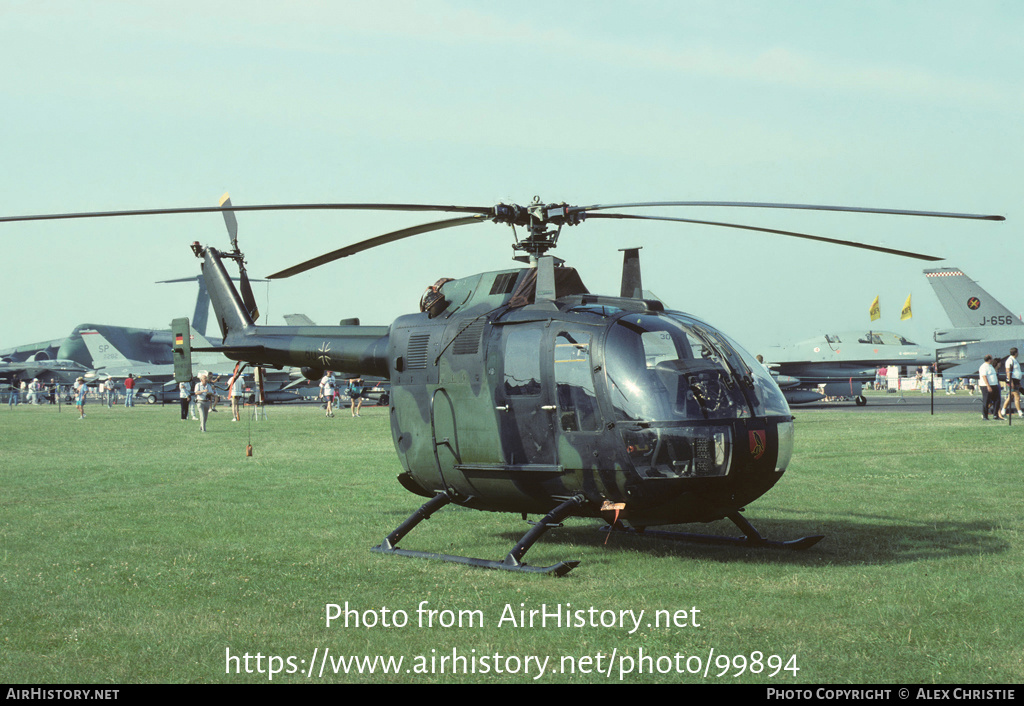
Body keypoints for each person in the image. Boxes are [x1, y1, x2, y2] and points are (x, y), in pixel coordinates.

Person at [1000, 347, 1023, 419]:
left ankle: (1003, 411)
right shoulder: (1009, 360)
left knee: (1011, 397)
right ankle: (1020, 412)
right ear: (1016, 353)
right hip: (1012, 380)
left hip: (1016, 380)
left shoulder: (1014, 360)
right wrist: (1011, 382)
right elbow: (1008, 371)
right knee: (1017, 396)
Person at [979, 355, 1003, 420]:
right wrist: (988, 386)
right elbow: (984, 376)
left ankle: (995, 415)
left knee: (997, 400)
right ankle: (985, 416)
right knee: (986, 401)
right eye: (991, 359)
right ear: (989, 359)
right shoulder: (984, 367)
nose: (992, 360)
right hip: (986, 386)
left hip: (994, 385)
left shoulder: (990, 366)